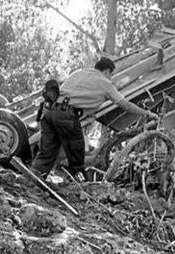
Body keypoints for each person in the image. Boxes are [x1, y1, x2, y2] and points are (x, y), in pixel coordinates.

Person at [31, 57, 159, 179]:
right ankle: (64, 181)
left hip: (49, 110)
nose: (110, 78)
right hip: (67, 115)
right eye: (111, 75)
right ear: (107, 71)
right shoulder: (105, 83)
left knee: (46, 152)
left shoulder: (78, 73)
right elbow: (125, 105)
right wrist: (146, 113)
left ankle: (32, 178)